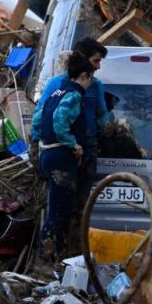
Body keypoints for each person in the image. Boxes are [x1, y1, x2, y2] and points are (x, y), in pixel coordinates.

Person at [33, 38, 110, 248]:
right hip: (64, 152)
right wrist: (43, 145)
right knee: (60, 205)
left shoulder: (97, 86)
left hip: (87, 150)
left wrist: (113, 130)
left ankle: (74, 252)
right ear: (83, 60)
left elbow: (103, 116)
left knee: (81, 205)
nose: (98, 66)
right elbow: (43, 116)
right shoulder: (59, 85)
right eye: (95, 61)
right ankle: (54, 251)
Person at [30, 51, 95, 259]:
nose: (90, 84)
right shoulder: (74, 95)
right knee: (60, 212)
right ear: (84, 76)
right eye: (90, 78)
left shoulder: (54, 94)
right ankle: (48, 257)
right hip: (62, 159)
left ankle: (53, 254)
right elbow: (60, 120)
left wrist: (41, 141)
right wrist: (73, 144)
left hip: (47, 156)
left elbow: (37, 123)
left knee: (54, 207)